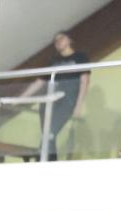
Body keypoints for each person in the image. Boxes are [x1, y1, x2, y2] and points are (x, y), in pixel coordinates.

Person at [35, 29, 91, 159]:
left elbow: (85, 81)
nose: (57, 41)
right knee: (48, 136)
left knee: (49, 134)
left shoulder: (80, 57)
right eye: (55, 40)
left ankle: (41, 159)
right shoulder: (53, 60)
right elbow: (39, 82)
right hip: (50, 101)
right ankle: (48, 161)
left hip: (68, 100)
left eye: (61, 38)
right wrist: (21, 98)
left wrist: (78, 105)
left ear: (69, 40)